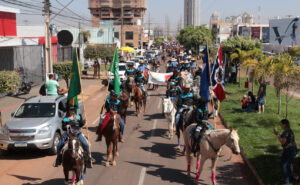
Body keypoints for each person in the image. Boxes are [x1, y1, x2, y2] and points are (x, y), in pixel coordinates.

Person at [274, 119, 297, 185]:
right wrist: (278, 134)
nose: (280, 125)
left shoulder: (286, 132)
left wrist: (278, 136)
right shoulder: (289, 130)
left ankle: (286, 182)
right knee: (289, 164)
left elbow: (283, 142)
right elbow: (287, 141)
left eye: (281, 124)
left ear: (284, 125)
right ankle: (292, 177)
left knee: (284, 165)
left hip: (290, 150)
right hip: (293, 149)